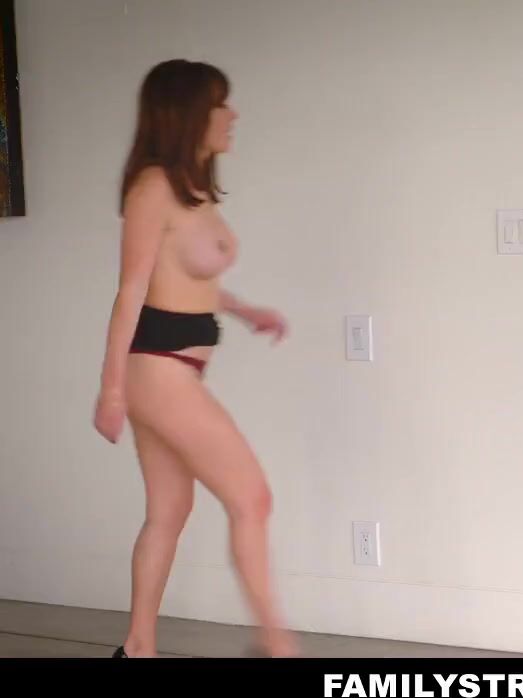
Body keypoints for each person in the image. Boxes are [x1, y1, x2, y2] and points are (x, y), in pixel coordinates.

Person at [93, 59, 298, 658]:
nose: (232, 115)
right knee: (252, 498)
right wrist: (111, 390)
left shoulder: (193, 190)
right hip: (157, 370)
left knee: (169, 510)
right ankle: (277, 648)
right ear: (187, 114)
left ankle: (137, 649)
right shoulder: (154, 188)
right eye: (219, 104)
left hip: (172, 367)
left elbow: (186, 279)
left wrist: (244, 310)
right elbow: (131, 291)